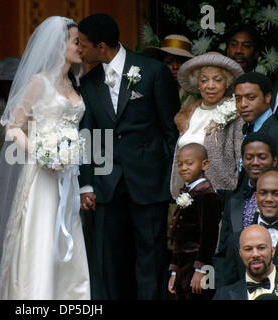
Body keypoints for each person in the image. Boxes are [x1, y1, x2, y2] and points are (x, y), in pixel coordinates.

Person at [0, 16, 90, 300]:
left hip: (67, 176)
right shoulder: (38, 82)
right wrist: (43, 153)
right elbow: (11, 128)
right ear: (59, 46)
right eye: (75, 41)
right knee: (41, 237)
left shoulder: (74, 83)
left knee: (66, 237)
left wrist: (69, 157)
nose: (80, 47)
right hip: (42, 175)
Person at [77, 13, 180, 300]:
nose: (79, 49)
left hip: (149, 182)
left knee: (150, 255)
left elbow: (170, 130)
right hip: (107, 185)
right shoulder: (88, 82)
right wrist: (87, 183)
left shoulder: (153, 71)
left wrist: (171, 179)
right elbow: (90, 136)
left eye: (83, 44)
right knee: (109, 260)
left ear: (100, 46)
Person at [171, 52, 244, 200]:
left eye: (217, 80)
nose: (210, 86)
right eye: (204, 80)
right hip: (187, 193)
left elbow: (240, 157)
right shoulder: (188, 112)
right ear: (198, 85)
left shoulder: (235, 113)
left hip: (220, 195)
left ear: (227, 83)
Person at [215, 133, 278, 285]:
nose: (255, 162)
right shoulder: (233, 201)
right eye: (249, 157)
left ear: (274, 160)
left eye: (262, 157)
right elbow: (224, 252)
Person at [167, 143, 222, 300]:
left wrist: (201, 269)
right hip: (183, 265)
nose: (184, 168)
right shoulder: (186, 193)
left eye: (189, 163)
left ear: (204, 164)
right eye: (180, 164)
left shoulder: (207, 196)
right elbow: (177, 236)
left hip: (198, 263)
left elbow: (209, 236)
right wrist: (174, 270)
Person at [213, 224, 277, 300]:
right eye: (248, 249)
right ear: (240, 254)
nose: (255, 254)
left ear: (272, 251)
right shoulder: (223, 296)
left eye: (261, 248)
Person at [143, 34, 197, 108]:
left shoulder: (198, 91)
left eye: (180, 61)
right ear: (161, 63)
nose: (175, 67)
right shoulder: (153, 90)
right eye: (169, 62)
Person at [234, 72, 278, 161]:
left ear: (268, 97)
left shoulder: (275, 131)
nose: (243, 104)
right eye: (238, 99)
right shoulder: (248, 127)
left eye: (251, 98)